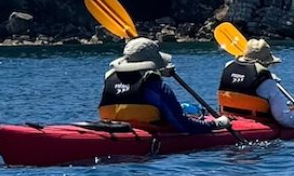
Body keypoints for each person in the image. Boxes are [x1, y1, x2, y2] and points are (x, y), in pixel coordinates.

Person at [99, 36, 231, 132]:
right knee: (183, 111)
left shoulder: (109, 78)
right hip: (148, 132)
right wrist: (216, 124)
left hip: (113, 128)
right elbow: (182, 125)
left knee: (186, 108)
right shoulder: (155, 86)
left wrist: (159, 71)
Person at [218, 38, 294, 127]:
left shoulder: (228, 67)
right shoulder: (265, 80)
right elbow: (285, 120)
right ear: (266, 63)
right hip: (256, 123)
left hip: (227, 117)